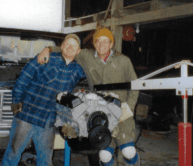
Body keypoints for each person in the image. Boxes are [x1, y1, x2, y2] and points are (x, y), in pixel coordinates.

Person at [37, 26, 140, 166]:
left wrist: (129, 107)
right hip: (100, 113)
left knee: (128, 151)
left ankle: (134, 162)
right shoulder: (86, 56)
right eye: (98, 41)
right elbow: (69, 50)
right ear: (94, 43)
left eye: (105, 41)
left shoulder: (123, 60)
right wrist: (47, 49)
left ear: (112, 43)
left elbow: (135, 85)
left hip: (122, 110)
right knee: (104, 155)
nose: (101, 44)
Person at [1, 34, 85, 166]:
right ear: (61, 46)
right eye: (67, 44)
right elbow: (22, 80)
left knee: (45, 161)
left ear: (79, 51)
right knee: (12, 154)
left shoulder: (78, 70)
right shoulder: (45, 57)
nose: (70, 47)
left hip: (47, 121)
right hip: (26, 116)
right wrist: (16, 111)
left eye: (74, 46)